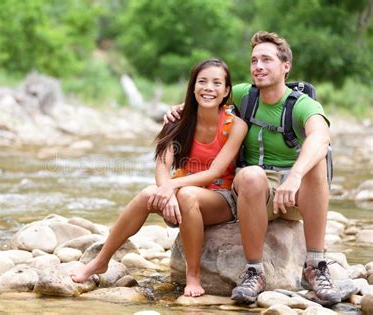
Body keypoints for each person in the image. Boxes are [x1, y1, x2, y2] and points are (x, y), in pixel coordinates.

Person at [164, 31, 340, 305]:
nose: (258, 66)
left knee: (317, 160)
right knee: (250, 174)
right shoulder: (246, 95)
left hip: (295, 192)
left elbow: (320, 137)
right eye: (254, 60)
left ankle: (316, 266)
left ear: (285, 66)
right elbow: (209, 93)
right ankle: (254, 272)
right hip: (253, 192)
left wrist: (294, 176)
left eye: (266, 60)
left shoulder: (302, 105)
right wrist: (179, 108)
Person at [71, 58, 247, 297]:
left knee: (186, 195)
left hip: (221, 198)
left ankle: (193, 276)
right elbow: (162, 166)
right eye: (202, 81)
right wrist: (168, 192)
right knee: (147, 193)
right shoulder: (178, 120)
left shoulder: (236, 126)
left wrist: (173, 187)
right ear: (193, 87)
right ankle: (100, 261)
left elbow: (215, 171)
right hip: (182, 193)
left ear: (226, 91)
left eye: (217, 83)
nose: (209, 88)